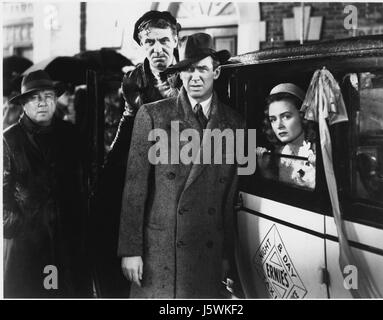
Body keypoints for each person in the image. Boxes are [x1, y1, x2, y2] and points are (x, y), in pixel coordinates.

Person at [118, 32, 243, 298]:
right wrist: (130, 250)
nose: (194, 77)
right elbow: (134, 188)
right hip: (160, 253)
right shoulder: (153, 114)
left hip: (207, 250)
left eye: (202, 69)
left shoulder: (235, 124)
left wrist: (226, 255)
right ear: (180, 74)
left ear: (216, 72)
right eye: (187, 70)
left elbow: (230, 197)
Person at [92, 10, 182, 297]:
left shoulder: (191, 73)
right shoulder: (133, 80)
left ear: (176, 39)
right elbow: (128, 122)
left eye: (164, 41)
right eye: (149, 43)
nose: (158, 50)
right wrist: (109, 166)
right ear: (142, 45)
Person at [3, 70, 91, 298]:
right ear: (23, 104)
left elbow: (85, 180)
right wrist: (19, 225)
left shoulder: (70, 134)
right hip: (28, 243)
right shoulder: (9, 139)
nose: (42, 103)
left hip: (68, 241)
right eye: (34, 97)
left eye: (48, 96)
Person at [256, 83, 316, 190]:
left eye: (286, 117)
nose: (279, 125)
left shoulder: (317, 152)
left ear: (303, 117)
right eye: (273, 119)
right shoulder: (281, 153)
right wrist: (265, 169)